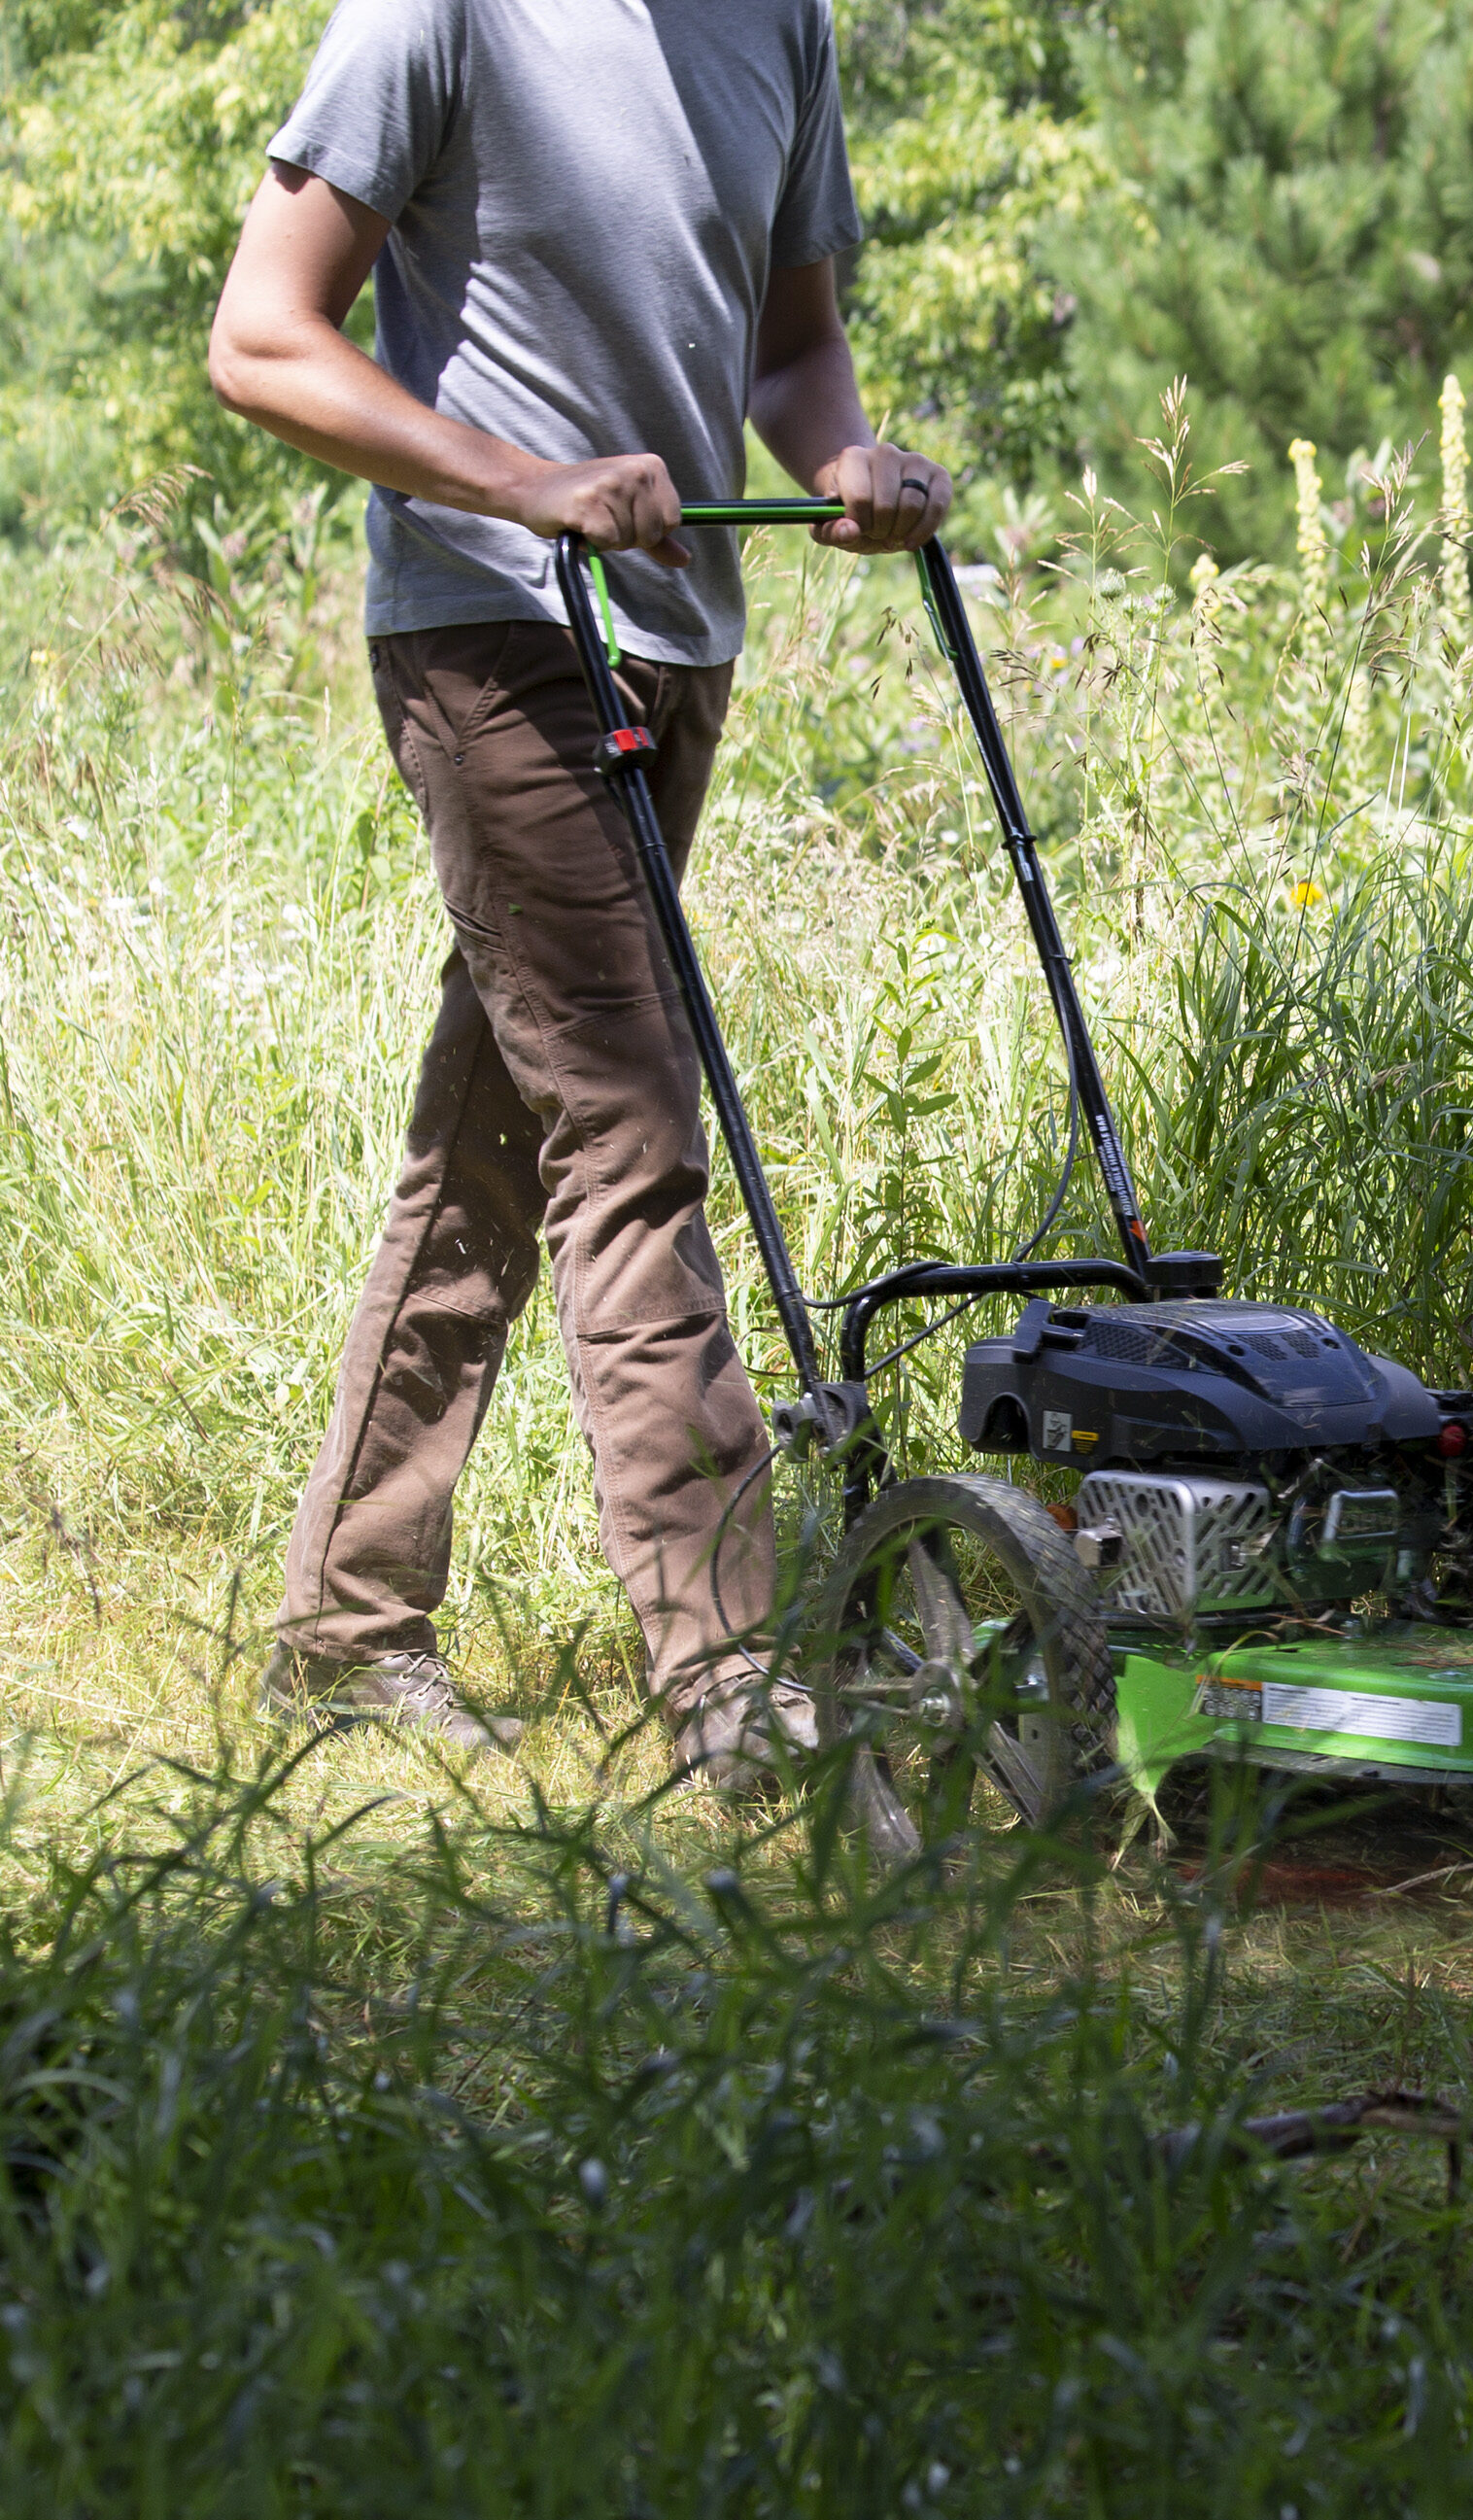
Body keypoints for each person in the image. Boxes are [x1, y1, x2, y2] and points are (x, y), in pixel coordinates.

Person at [208, 0, 951, 1790]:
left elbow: (788, 352)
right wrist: (521, 482)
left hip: (677, 634)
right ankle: (736, 1676)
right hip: (494, 630)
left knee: (499, 1136)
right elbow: (261, 341)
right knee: (628, 1132)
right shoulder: (438, 13)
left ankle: (346, 1620)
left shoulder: (776, 19)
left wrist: (846, 456)